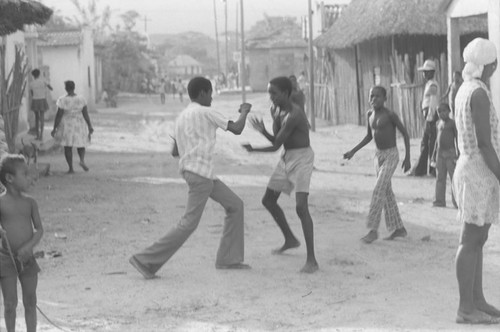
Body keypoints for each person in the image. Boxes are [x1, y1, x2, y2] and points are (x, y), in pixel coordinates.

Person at [130, 76, 252, 279]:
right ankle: (145, 260)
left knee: (235, 205)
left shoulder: (182, 116)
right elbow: (237, 129)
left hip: (198, 173)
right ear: (203, 93)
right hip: (201, 174)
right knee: (188, 223)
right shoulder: (206, 111)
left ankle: (228, 258)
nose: (212, 98)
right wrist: (245, 111)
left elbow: (175, 151)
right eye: (210, 93)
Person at [242, 76, 319, 273]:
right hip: (287, 157)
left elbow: (275, 145)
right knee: (268, 200)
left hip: (302, 158)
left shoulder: (295, 114)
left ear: (286, 93)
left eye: (274, 93)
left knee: (301, 207)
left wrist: (255, 148)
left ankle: (312, 260)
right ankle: (290, 239)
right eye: (269, 93)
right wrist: (266, 128)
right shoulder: (277, 110)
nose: (271, 97)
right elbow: (279, 139)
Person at [453, 38, 500, 325]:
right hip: (478, 170)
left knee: (478, 238)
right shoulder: (479, 94)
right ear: (489, 65)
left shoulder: (466, 88)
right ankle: (465, 308)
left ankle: (476, 300)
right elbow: (485, 143)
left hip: (473, 168)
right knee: (470, 239)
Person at [343, 85, 411, 244]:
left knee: (378, 189)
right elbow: (368, 137)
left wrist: (407, 158)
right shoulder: (369, 115)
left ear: (385, 99)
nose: (373, 99)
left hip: (391, 155)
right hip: (378, 157)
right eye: (371, 96)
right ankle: (398, 228)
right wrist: (353, 151)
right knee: (387, 193)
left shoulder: (390, 115)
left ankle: (373, 230)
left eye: (377, 96)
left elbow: (406, 134)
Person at [0, 154, 44, 332]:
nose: (29, 178)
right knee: (10, 304)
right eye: (25, 174)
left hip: (27, 259)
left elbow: (39, 229)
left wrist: (28, 247)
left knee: (31, 301)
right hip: (5, 259)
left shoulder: (30, 203)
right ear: (10, 178)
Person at [50, 81, 94, 174]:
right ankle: (82, 160)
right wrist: (89, 125)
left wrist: (54, 128)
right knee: (81, 143)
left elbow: (59, 115)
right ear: (74, 87)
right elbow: (85, 113)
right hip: (79, 123)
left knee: (67, 146)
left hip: (67, 124)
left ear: (66, 88)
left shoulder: (62, 100)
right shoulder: (81, 99)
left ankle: (71, 168)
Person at [410, 59, 440, 177]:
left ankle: (430, 170)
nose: (424, 74)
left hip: (431, 117)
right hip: (429, 117)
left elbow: (432, 102)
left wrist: (430, 116)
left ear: (431, 72)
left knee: (430, 144)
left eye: (426, 72)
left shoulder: (432, 84)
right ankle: (421, 169)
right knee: (427, 144)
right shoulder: (429, 84)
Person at [431, 103, 458, 208]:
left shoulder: (452, 123)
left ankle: (456, 201)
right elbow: (436, 141)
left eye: (444, 111)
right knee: (440, 177)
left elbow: (457, 138)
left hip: (450, 153)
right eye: (439, 112)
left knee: (453, 178)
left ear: (449, 111)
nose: (442, 113)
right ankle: (439, 201)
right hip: (439, 153)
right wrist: (433, 154)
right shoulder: (438, 123)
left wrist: (458, 153)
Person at [29, 68, 53, 141]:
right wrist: (45, 86)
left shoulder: (31, 83)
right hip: (42, 99)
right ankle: (41, 135)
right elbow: (51, 88)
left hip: (35, 100)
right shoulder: (43, 81)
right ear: (39, 74)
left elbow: (32, 93)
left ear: (33, 75)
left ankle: (37, 135)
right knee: (42, 118)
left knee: (37, 118)